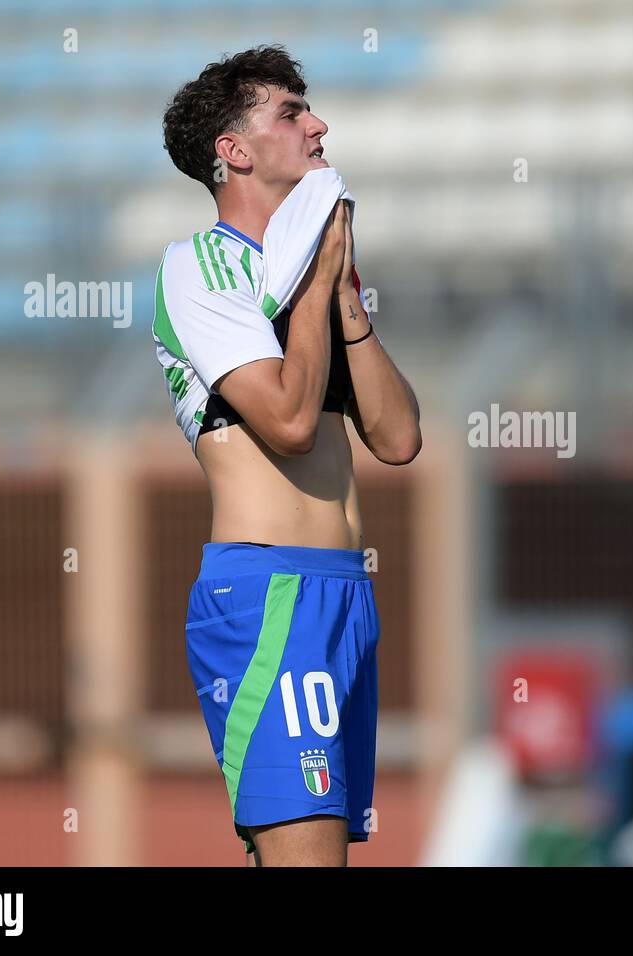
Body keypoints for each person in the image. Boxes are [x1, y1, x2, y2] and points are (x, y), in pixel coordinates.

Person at [157, 46, 422, 866]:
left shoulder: (315, 277)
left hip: (343, 597)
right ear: (233, 151)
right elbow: (290, 420)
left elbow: (399, 437)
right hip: (268, 593)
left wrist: (341, 295)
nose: (318, 125)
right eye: (290, 112)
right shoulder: (200, 268)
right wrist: (314, 289)